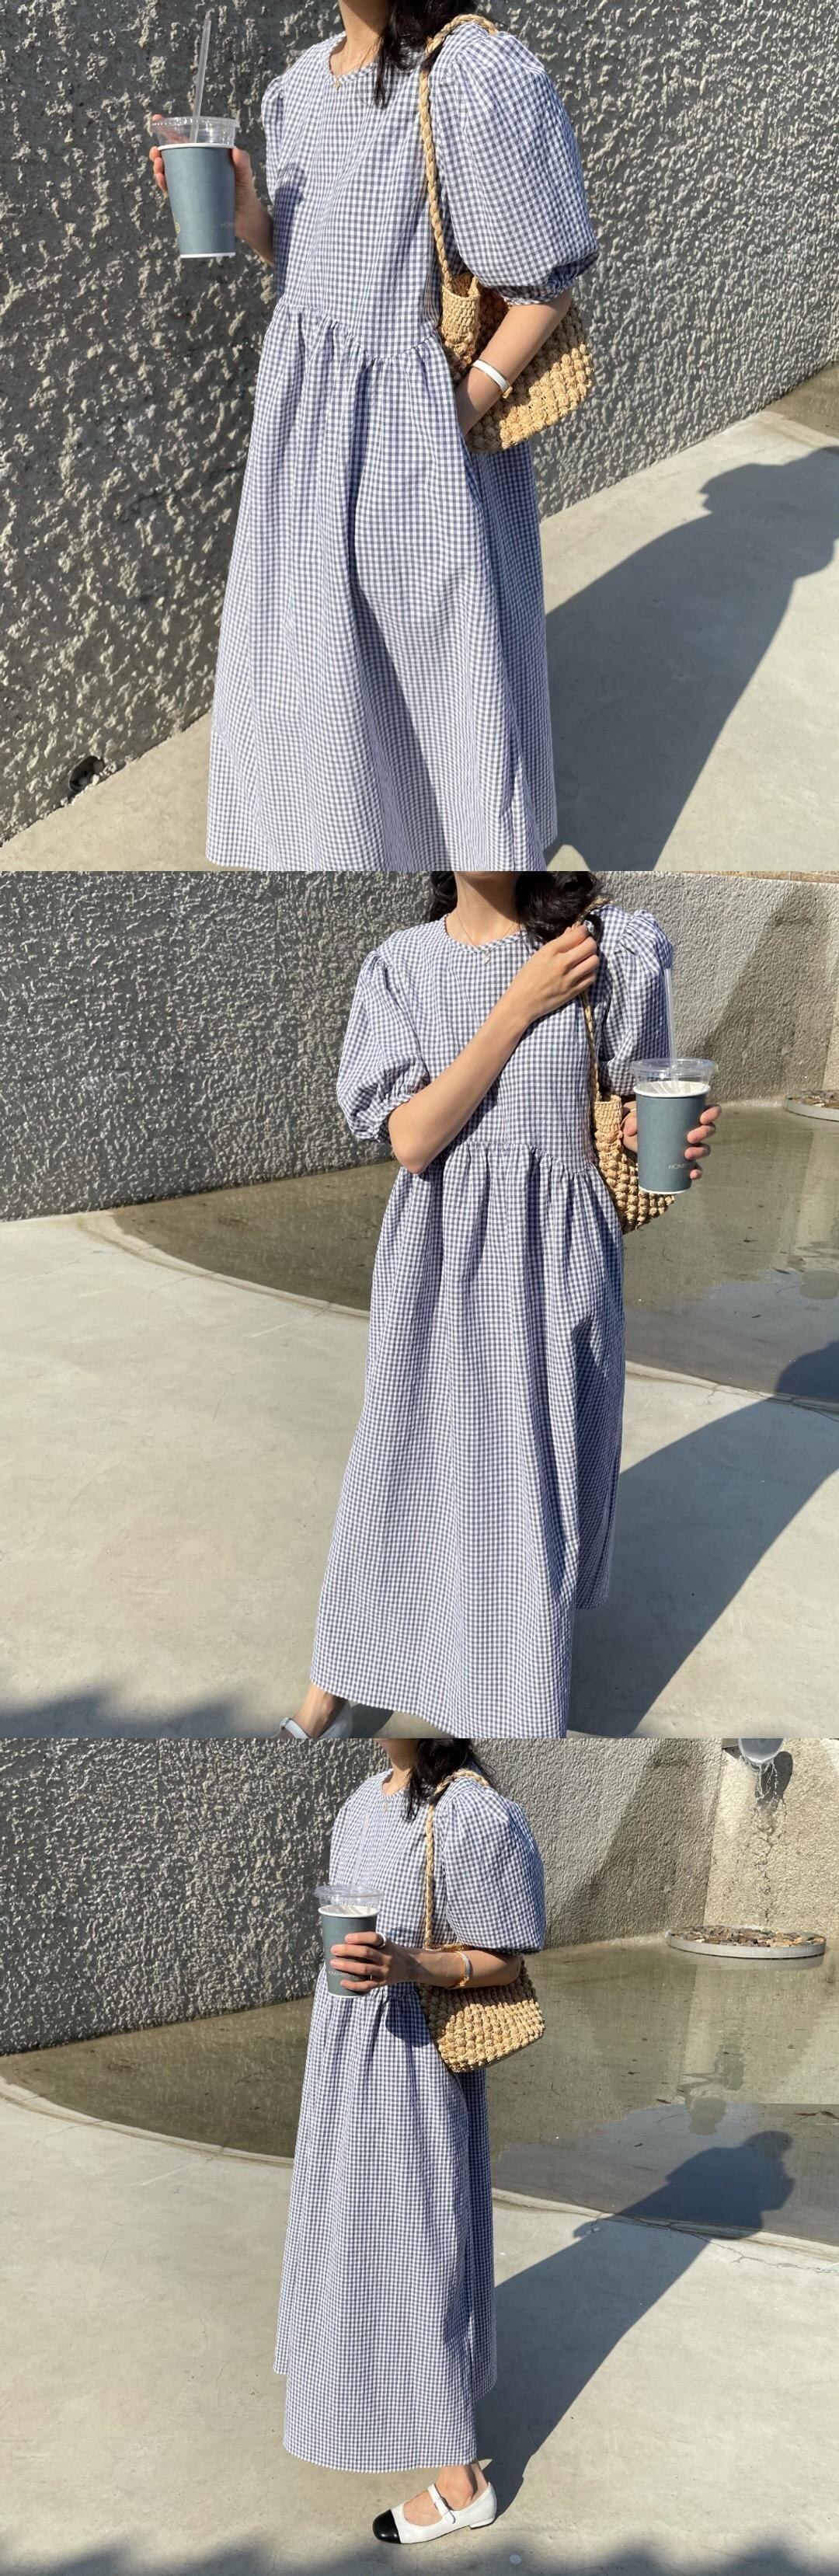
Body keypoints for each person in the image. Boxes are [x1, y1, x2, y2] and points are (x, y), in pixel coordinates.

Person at [150, 4, 598, 873]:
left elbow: (544, 286)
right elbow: (314, 266)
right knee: (322, 669)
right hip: (307, 436)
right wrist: (246, 215)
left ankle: (471, 864)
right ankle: (357, 852)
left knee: (438, 666)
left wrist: (452, 414)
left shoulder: (470, 75)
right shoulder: (297, 87)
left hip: (416, 433)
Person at [288, 870, 720, 1741]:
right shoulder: (403, 965)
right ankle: (339, 1675)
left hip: (557, 1259)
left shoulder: (611, 946)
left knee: (527, 1479)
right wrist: (520, 1002)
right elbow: (412, 1140)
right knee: (401, 1462)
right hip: (438, 1255)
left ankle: (515, 1700)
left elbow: (636, 1107)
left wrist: (659, 1138)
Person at [275, 1732, 546, 2541]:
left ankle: (462, 2483)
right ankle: (370, 2405)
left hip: (415, 2063)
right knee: (352, 2243)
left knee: (421, 2251)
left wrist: (409, 1966)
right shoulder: (362, 1801)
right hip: (344, 2054)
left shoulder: (471, 1813)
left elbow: (507, 1959)